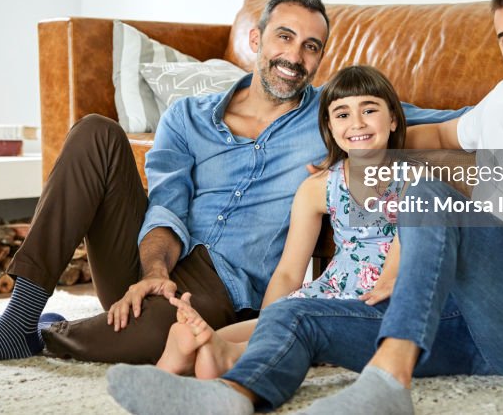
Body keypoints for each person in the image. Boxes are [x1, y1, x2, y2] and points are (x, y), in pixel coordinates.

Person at [106, 0, 503, 415]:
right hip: (464, 322)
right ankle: (231, 395)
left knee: (430, 193)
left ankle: (390, 381)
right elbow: (431, 133)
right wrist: (354, 154)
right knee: (299, 314)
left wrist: (450, 217)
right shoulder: (502, 104)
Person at [0, 0, 463, 367]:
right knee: (93, 131)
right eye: (284, 37)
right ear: (257, 39)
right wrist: (155, 270)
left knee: (159, 339)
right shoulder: (188, 116)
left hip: (223, 286)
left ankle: (41, 335)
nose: (294, 57)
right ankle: (22, 315)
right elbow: (166, 202)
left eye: (311, 47)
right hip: (150, 260)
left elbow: (443, 123)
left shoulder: (337, 114)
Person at [155, 65, 411, 378]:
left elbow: (406, 249)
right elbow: (289, 271)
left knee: (303, 327)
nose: (357, 123)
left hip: (377, 298)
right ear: (329, 127)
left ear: (394, 118)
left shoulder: (414, 179)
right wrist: (269, 320)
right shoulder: (319, 186)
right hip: (333, 289)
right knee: (284, 315)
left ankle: (230, 355)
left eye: (369, 110)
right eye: (342, 114)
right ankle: (199, 343)